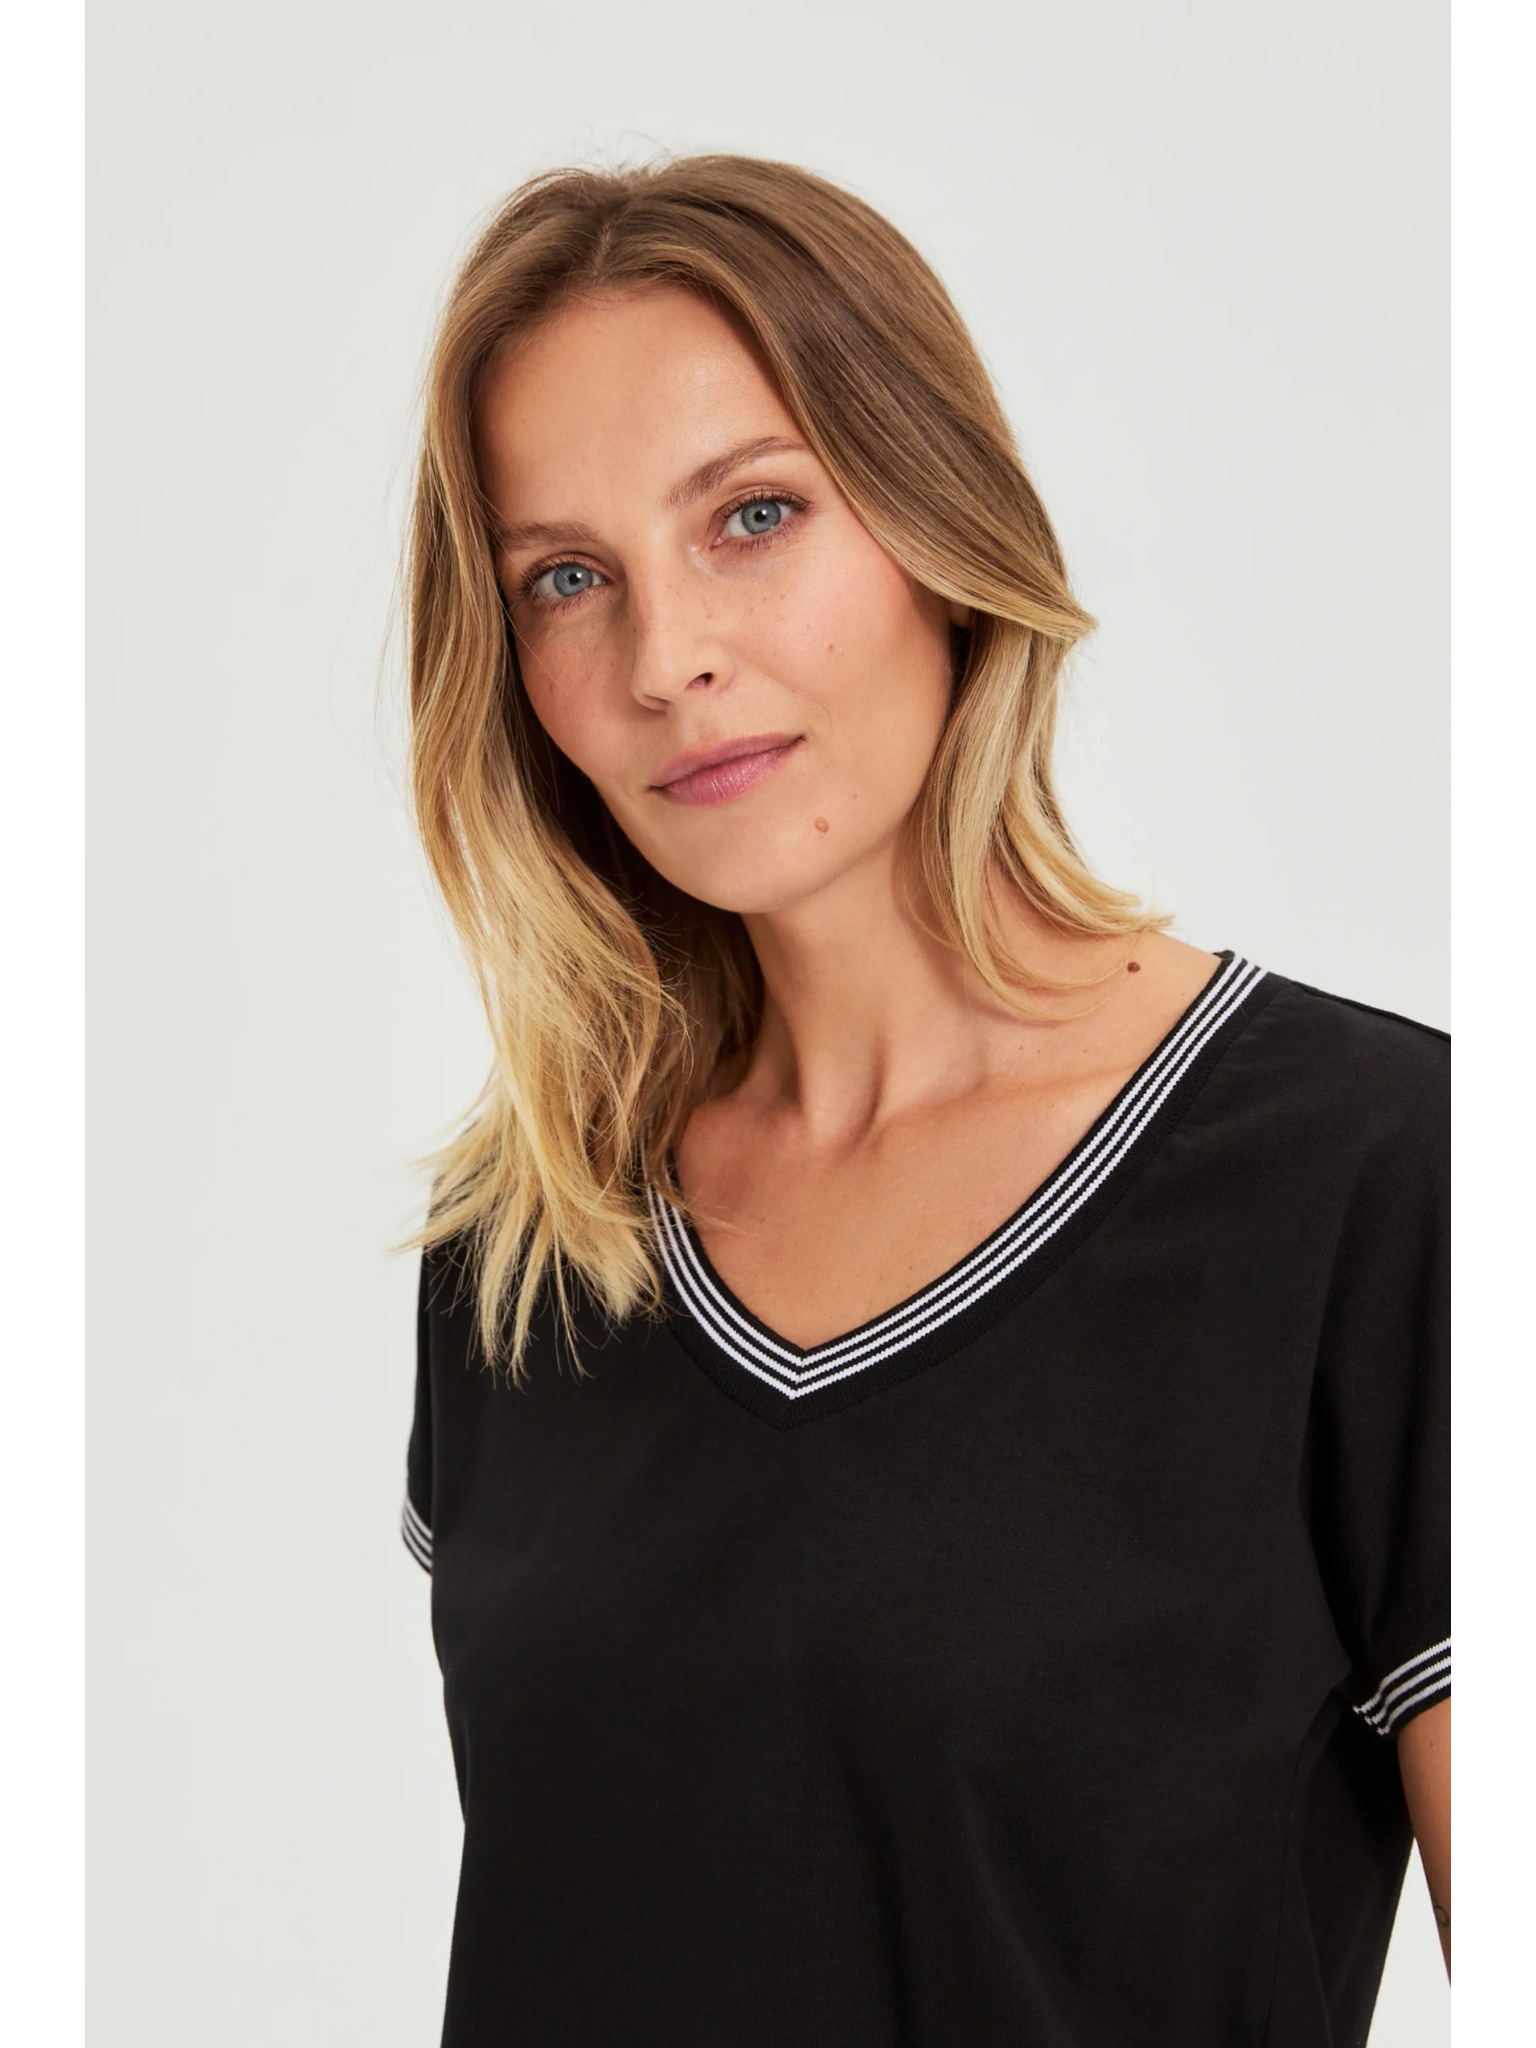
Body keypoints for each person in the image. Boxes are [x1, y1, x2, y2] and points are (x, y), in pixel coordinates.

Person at [398, 155, 1449, 2047]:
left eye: (754, 514)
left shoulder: (1386, 1179)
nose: (665, 658)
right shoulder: (530, 1252)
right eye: (568, 578)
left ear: (938, 519)